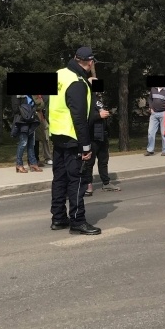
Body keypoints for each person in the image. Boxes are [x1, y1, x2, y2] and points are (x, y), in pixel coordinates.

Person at [48, 46, 102, 235]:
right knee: (77, 180)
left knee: (59, 178)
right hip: (73, 137)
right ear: (90, 62)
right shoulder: (78, 82)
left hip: (57, 135)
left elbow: (48, 102)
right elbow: (79, 117)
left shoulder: (59, 74)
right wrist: (86, 145)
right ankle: (78, 220)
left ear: (74, 58)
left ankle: (58, 217)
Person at [84, 92, 120, 195]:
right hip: (91, 136)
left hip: (102, 135)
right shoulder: (86, 99)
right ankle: (88, 185)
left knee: (103, 160)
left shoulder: (99, 99)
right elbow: (84, 118)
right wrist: (98, 115)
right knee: (89, 163)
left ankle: (106, 183)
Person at [11, 94, 42, 173]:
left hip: (30, 121)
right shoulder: (17, 96)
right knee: (23, 143)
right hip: (22, 121)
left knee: (31, 143)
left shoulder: (29, 95)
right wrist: (27, 110)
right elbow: (15, 109)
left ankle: (33, 163)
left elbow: (38, 105)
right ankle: (19, 164)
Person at [145, 85, 165, 156]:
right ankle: (150, 150)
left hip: (164, 113)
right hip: (154, 113)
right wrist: (151, 107)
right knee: (150, 132)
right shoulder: (153, 89)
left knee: (164, 133)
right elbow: (150, 99)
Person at [33, 94, 53, 167]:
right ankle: (35, 159)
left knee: (46, 138)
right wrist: (41, 103)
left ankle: (47, 157)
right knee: (36, 139)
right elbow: (38, 104)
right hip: (36, 117)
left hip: (44, 117)